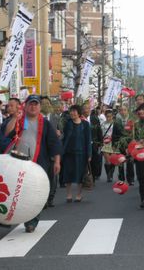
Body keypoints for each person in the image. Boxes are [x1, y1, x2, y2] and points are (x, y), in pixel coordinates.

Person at [6, 95, 62, 233]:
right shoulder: (19, 120)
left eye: (36, 104)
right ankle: (7, 216)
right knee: (13, 191)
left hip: (38, 163)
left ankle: (31, 221)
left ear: (39, 107)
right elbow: (7, 134)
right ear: (25, 106)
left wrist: (57, 161)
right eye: (31, 104)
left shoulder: (45, 123)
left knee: (33, 194)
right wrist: (15, 117)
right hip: (17, 162)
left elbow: (54, 143)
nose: (33, 106)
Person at [62, 105, 92, 202]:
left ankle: (79, 195)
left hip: (81, 154)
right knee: (68, 174)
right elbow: (63, 137)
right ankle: (69, 195)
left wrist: (89, 154)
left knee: (80, 174)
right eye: (71, 111)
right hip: (68, 153)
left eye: (74, 111)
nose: (72, 113)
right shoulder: (68, 123)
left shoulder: (85, 124)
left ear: (79, 113)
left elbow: (88, 140)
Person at [41, 96, 62, 208]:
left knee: (53, 176)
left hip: (53, 151)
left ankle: (50, 198)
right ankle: (43, 199)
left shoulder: (54, 118)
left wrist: (59, 133)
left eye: (47, 103)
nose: (46, 105)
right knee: (42, 176)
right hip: (42, 152)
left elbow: (61, 131)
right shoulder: (38, 118)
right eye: (43, 103)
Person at [83, 102, 103, 181]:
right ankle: (84, 178)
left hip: (93, 143)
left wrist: (100, 142)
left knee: (94, 161)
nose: (86, 110)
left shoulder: (94, 118)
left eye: (88, 108)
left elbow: (99, 130)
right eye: (85, 108)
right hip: (83, 144)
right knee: (84, 162)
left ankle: (93, 177)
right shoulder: (80, 119)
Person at [116, 105, 135, 185]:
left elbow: (134, 135)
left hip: (129, 144)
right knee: (120, 162)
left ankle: (130, 179)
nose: (123, 111)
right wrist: (115, 145)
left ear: (127, 111)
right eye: (121, 110)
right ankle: (121, 179)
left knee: (130, 162)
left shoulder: (131, 121)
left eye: (124, 110)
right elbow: (115, 134)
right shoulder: (117, 121)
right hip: (120, 145)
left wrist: (130, 146)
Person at [101, 109, 116, 182]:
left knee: (112, 160)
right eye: (107, 116)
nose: (109, 118)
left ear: (112, 116)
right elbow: (101, 134)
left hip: (113, 143)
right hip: (106, 143)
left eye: (110, 116)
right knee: (107, 160)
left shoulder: (115, 124)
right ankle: (108, 176)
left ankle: (111, 174)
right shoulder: (103, 124)